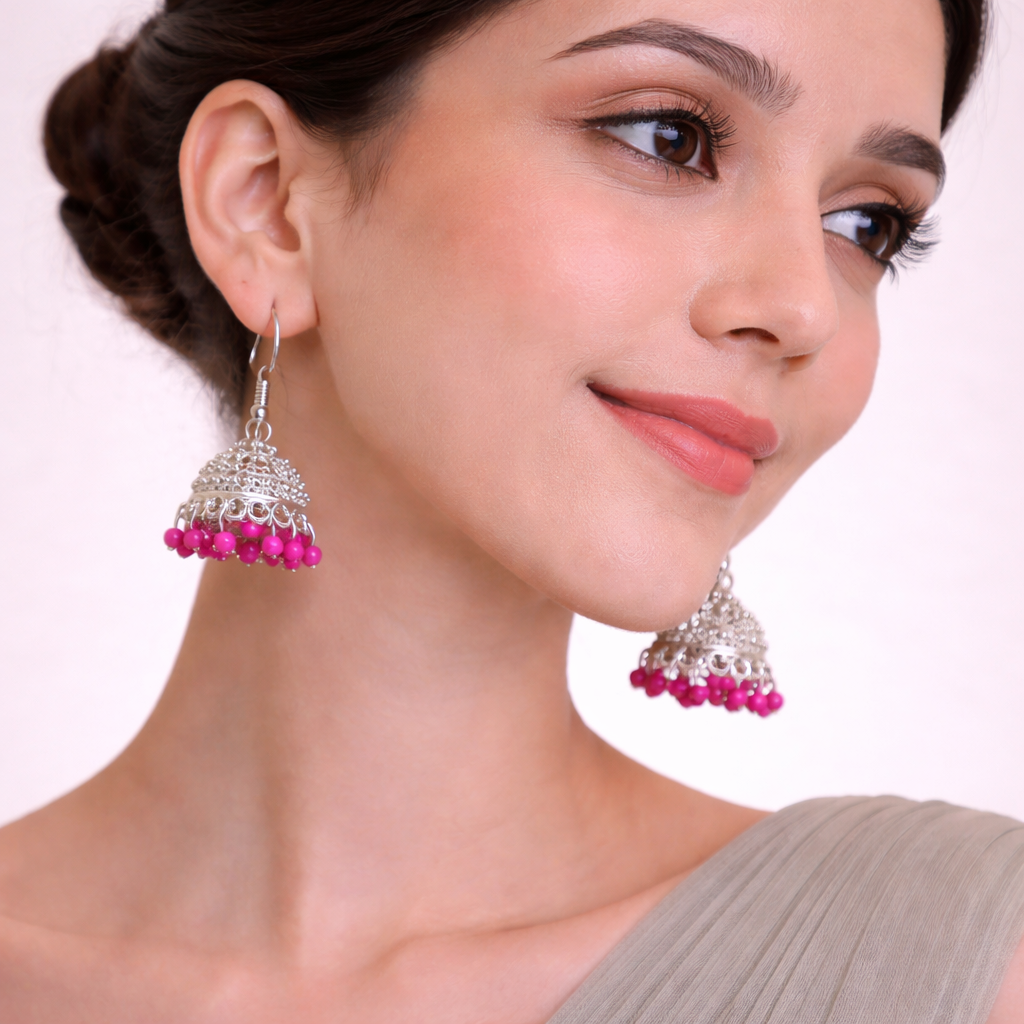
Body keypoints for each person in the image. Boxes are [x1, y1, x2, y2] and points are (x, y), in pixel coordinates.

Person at [2, 0, 1021, 1020]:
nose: (803, 308)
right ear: (263, 201)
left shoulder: (961, 968)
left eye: (866, 225)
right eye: (670, 138)